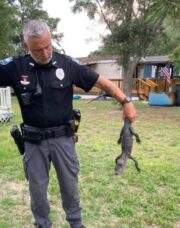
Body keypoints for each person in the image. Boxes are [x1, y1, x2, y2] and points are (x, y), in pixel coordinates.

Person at [0, 20, 136, 227]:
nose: (45, 53)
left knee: (70, 188)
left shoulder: (67, 64)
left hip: (63, 140)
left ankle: (76, 223)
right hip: (33, 142)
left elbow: (101, 82)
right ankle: (42, 224)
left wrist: (126, 101)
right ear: (26, 47)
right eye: (38, 50)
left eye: (48, 46)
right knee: (37, 192)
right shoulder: (15, 67)